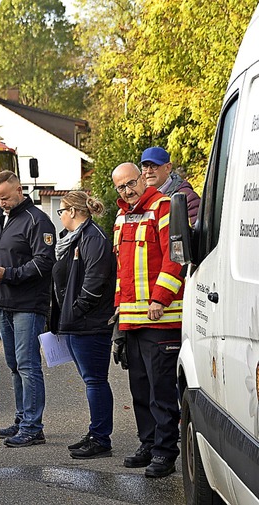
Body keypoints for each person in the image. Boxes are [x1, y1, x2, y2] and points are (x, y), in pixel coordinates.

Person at [111, 162, 184, 478]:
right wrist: (117, 310)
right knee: (140, 389)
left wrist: (160, 298)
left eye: (131, 183)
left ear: (142, 178)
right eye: (121, 187)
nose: (127, 191)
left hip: (161, 318)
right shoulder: (121, 216)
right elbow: (122, 271)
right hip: (131, 319)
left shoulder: (162, 206)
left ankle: (165, 453)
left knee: (161, 390)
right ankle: (149, 443)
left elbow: (176, 257)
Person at [0, 170, 56, 448]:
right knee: (14, 365)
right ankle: (21, 418)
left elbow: (44, 261)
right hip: (3, 302)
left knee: (28, 365)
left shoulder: (37, 221)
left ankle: (33, 427)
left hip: (28, 304)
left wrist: (10, 275)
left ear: (19, 190)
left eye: (4, 197)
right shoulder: (1, 221)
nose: (1, 202)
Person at [50, 191, 116, 459]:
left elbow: (95, 279)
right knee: (91, 381)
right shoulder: (75, 238)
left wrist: (77, 309)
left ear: (74, 212)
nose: (61, 216)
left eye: (62, 211)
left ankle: (101, 438)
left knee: (95, 381)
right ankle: (95, 432)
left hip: (89, 323)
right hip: (77, 322)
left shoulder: (92, 238)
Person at [140, 146, 201, 225]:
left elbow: (198, 233)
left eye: (154, 166)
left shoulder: (187, 198)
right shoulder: (138, 199)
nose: (148, 171)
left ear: (168, 168)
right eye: (145, 166)